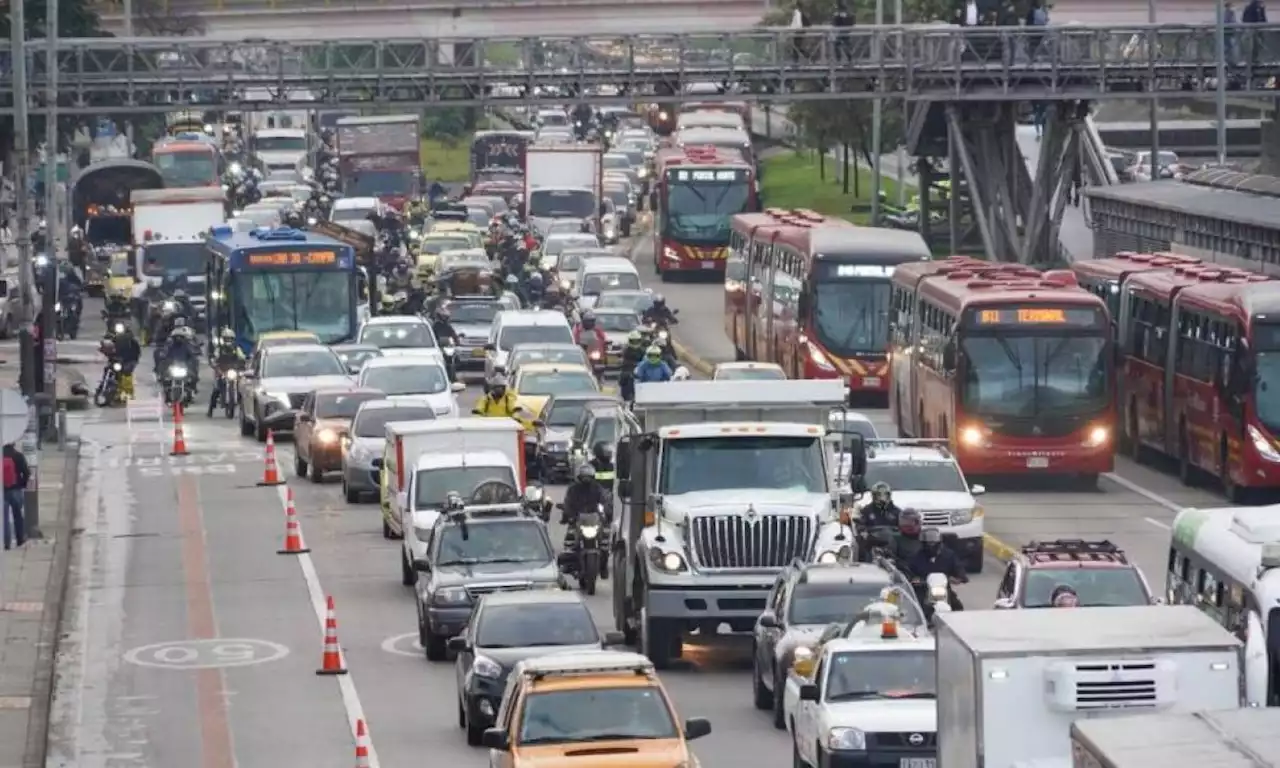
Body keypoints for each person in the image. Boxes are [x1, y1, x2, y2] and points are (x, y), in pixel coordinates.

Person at [906, 528, 967, 610]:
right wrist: (914, 580)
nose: (932, 545)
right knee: (915, 607)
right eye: (929, 543)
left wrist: (960, 577)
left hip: (943, 589)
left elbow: (958, 567)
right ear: (923, 544)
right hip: (924, 589)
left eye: (934, 542)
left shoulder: (948, 555)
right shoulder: (916, 557)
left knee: (958, 607)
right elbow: (909, 573)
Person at [208, 328, 245, 417]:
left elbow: (242, 357)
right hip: (221, 371)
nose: (228, 340)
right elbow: (214, 359)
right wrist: (214, 365)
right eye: (226, 338)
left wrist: (243, 363)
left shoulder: (236, 348)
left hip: (233, 371)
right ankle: (210, 409)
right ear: (223, 339)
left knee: (242, 388)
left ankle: (243, 408)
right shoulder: (219, 349)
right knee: (216, 389)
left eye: (230, 339)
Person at [561, 463, 610, 528]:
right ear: (579, 477)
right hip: (577, 518)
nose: (586, 479)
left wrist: (607, 513)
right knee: (570, 534)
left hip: (594, 518)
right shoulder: (573, 488)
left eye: (588, 477)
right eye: (584, 477)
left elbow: (604, 500)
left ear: (592, 477)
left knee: (605, 533)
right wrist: (566, 515)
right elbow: (568, 502)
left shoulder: (597, 488)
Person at [2, 442, 29, 549]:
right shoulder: (18, 456)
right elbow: (26, 473)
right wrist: (21, 484)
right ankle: (20, 539)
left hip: (2, 491)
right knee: (18, 516)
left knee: (4, 518)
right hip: (16, 490)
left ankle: (6, 543)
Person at [113, 325, 141, 400]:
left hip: (129, 361)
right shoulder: (115, 339)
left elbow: (137, 352)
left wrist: (133, 360)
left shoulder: (132, 341)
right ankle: (117, 392)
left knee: (127, 375)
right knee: (115, 374)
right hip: (118, 360)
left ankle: (129, 392)